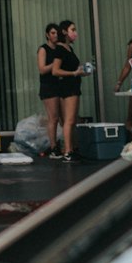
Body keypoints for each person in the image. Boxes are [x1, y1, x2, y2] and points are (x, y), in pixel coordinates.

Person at [50, 19, 84, 161]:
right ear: (64, 31)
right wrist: (73, 73)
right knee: (69, 120)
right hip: (68, 87)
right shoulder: (60, 49)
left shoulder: (69, 48)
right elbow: (55, 71)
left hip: (74, 86)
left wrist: (80, 71)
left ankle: (70, 148)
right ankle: (68, 151)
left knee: (72, 120)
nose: (75, 33)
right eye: (73, 30)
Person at [37, 22, 62, 158]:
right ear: (47, 34)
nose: (55, 35)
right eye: (52, 33)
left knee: (63, 117)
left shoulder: (60, 49)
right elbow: (42, 69)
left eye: (57, 33)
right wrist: (55, 64)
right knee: (53, 118)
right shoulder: (43, 49)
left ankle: (65, 145)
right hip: (48, 86)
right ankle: (53, 147)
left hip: (60, 85)